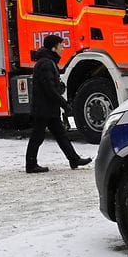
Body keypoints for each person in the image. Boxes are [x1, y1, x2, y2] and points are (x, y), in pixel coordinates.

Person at [25, 35, 92, 173]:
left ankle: (73, 159)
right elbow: (49, 88)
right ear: (53, 48)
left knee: (61, 135)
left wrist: (59, 87)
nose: (63, 49)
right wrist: (64, 104)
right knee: (38, 136)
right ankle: (31, 164)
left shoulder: (48, 62)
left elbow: (52, 86)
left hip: (48, 108)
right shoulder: (46, 64)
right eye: (61, 46)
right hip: (44, 108)